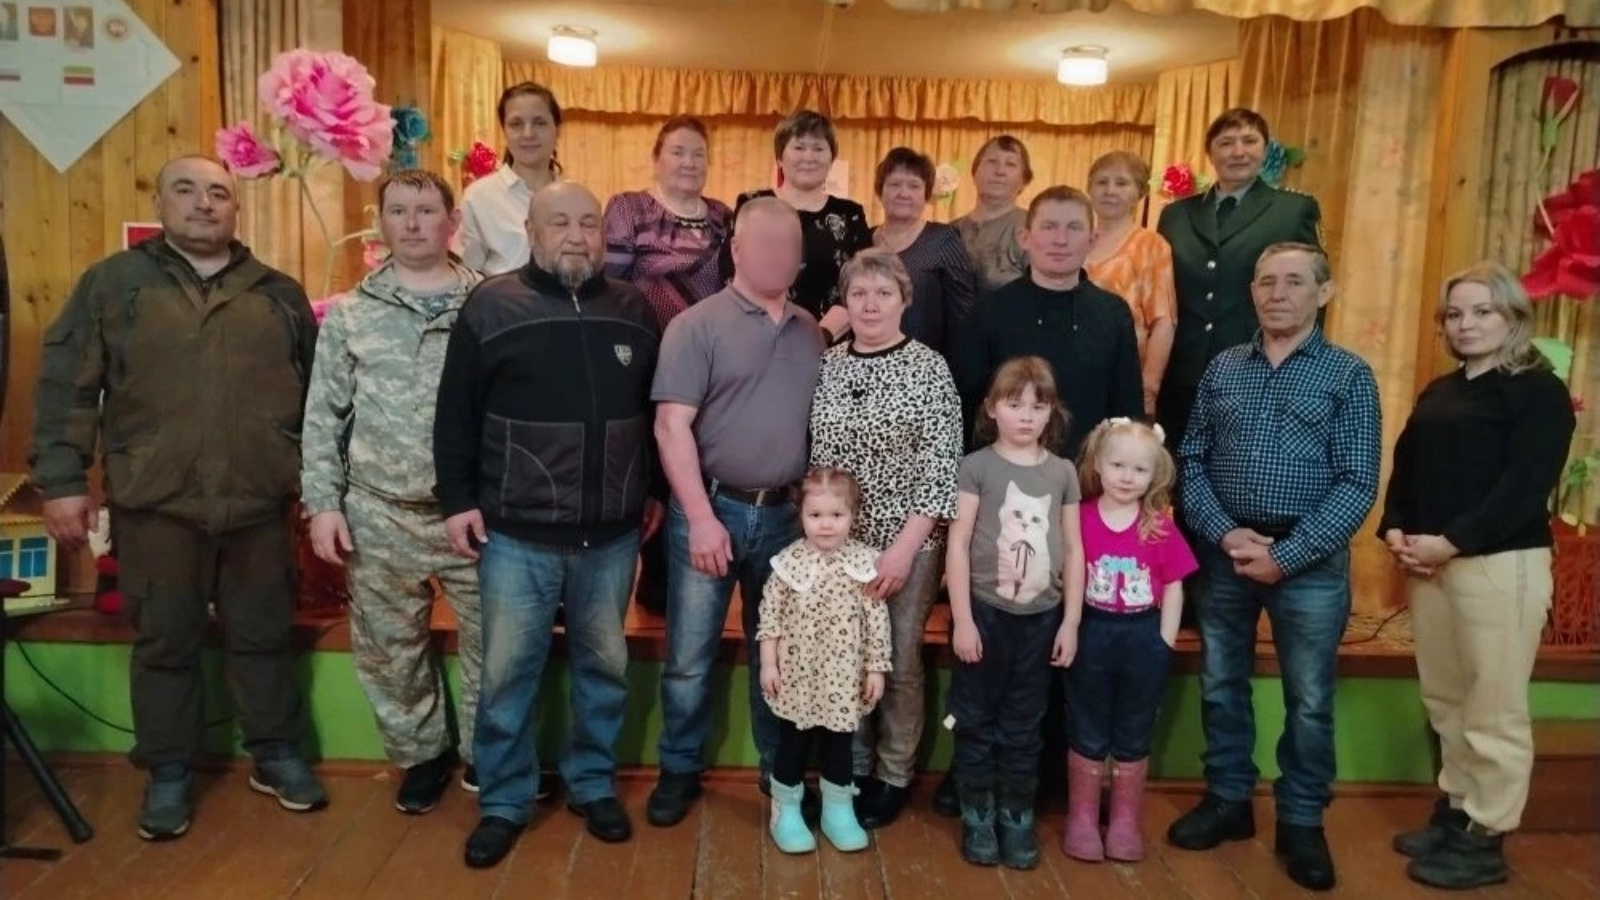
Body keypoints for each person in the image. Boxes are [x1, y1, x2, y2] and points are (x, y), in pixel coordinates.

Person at [29, 154, 325, 840]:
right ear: (159, 204)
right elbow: (68, 386)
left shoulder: (278, 294)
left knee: (264, 636)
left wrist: (319, 487)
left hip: (259, 503)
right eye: (185, 190)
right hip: (155, 503)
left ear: (236, 208)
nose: (203, 203)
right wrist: (63, 483)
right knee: (165, 643)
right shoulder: (114, 285)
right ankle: (167, 770)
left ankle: (276, 753)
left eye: (218, 192)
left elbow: (320, 398)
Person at [433, 181, 663, 868]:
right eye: (559, 222)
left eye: (588, 223)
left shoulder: (633, 309)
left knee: (605, 667)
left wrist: (650, 489)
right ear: (531, 232)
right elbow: (454, 413)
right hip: (516, 534)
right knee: (508, 674)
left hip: (611, 535)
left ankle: (593, 783)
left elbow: (655, 414)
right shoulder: (491, 305)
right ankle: (505, 800)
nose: (575, 235)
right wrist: (458, 499)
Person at [1167, 242, 1380, 892]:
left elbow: (1357, 483)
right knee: (1220, 683)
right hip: (1226, 553)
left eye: (1293, 281)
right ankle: (1228, 799)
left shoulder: (1348, 375)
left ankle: (1302, 821)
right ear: (1252, 291)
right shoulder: (1225, 367)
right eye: (1266, 282)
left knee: (1309, 700)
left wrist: (1283, 556)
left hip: (1308, 562)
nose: (1277, 293)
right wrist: (1225, 533)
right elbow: (1191, 459)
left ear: (1324, 292)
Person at [1380, 263, 1576, 890]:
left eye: (1483, 311)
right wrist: (1396, 527)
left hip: (1498, 564)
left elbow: (1525, 485)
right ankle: (1458, 808)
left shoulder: (1537, 391)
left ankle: (1488, 834)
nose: (1467, 324)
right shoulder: (1441, 390)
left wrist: (1453, 541)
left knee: (1493, 706)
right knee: (1446, 699)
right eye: (1455, 314)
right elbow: (1407, 465)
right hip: (1429, 564)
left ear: (1513, 317)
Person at [299, 169, 484, 815]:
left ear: (451, 222)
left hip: (473, 514)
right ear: (381, 223)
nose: (411, 222)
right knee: (390, 648)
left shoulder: (489, 304)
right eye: (398, 210)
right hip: (378, 511)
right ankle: (420, 757)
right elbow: (323, 416)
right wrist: (323, 505)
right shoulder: (351, 313)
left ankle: (486, 754)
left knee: (496, 643)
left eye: (426, 210)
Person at [648, 196, 826, 827]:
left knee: (776, 653)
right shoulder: (695, 325)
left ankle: (779, 774)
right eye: (766, 243)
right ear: (736, 250)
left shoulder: (811, 331)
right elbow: (671, 426)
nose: (779, 255)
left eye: (789, 246)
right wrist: (699, 517)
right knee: (689, 656)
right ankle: (678, 770)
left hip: (785, 518)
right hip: (711, 509)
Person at [806, 249, 963, 828]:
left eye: (883, 293)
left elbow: (941, 468)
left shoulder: (929, 368)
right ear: (844, 302)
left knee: (897, 660)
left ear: (904, 300)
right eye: (859, 293)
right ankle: (853, 767)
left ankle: (894, 774)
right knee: (846, 658)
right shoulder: (829, 364)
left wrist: (902, 551)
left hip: (908, 546)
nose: (870, 305)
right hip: (838, 544)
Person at [946, 356, 1084, 871]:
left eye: (1037, 406)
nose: (1026, 415)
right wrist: (963, 619)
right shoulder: (976, 467)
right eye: (1014, 404)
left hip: (1042, 620)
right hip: (985, 615)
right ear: (992, 409)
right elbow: (958, 544)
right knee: (974, 718)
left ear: (1052, 412)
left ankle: (1016, 814)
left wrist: (1071, 621)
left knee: (1025, 723)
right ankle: (977, 813)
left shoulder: (1063, 472)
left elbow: (1075, 549)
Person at [603, 115, 733, 615]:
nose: (689, 161)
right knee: (646, 466)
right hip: (640, 360)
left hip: (704, 365)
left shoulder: (723, 216)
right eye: (678, 151)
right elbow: (609, 288)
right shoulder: (629, 208)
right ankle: (649, 581)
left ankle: (694, 575)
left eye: (698, 153)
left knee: (694, 462)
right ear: (656, 157)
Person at [1061, 417, 1197, 863]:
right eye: (1118, 465)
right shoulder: (1079, 518)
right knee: (1086, 722)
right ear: (1098, 464)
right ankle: (1082, 817)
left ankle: (1123, 820)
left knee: (1135, 727)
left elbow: (1174, 584)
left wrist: (1164, 642)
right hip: (1092, 632)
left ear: (1154, 474)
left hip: (1143, 637)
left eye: (1140, 469)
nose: (1127, 477)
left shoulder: (1158, 525)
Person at [1155, 108, 1321, 451]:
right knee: (1174, 470)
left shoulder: (1292, 210)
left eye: (1249, 141)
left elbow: (1312, 292)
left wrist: (1301, 365)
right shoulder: (1175, 215)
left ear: (1265, 149)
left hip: (1259, 368)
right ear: (1210, 152)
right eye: (1226, 142)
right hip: (1181, 373)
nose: (1238, 151)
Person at [953, 185, 1143, 457]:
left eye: (1074, 228)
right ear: (1024, 237)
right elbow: (966, 405)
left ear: (1092, 240)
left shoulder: (1113, 313)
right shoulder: (989, 311)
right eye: (1049, 227)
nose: (1061, 240)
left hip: (1088, 473)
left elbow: (1127, 411)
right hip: (1005, 472)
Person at [758, 467, 891, 855]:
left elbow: (877, 622)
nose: (826, 524)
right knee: (793, 743)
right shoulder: (788, 564)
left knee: (839, 746)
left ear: (853, 515)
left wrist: (876, 668)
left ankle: (838, 811)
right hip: (797, 677)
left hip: (843, 680)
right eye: (815, 515)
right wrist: (769, 664)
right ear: (801, 515)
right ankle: (785, 811)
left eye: (837, 515)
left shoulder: (864, 565)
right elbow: (770, 620)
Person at [723, 109, 871, 339]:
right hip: (757, 335)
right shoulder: (752, 203)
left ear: (831, 158)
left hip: (831, 340)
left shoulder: (849, 214)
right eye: (799, 147)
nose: (808, 157)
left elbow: (865, 280)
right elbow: (731, 269)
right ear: (780, 157)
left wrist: (820, 336)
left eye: (819, 148)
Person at [1084, 151, 1177, 418]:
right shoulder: (1076, 239)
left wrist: (1149, 387)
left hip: (1125, 379)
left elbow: (1164, 322)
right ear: (1089, 189)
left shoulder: (1151, 245)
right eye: (1102, 182)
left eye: (1122, 183)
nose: (1110, 190)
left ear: (1140, 192)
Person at [870, 147, 978, 357]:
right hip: (865, 363)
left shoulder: (943, 240)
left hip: (924, 365)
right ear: (880, 191)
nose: (903, 193)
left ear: (926, 194)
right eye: (894, 184)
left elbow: (963, 315)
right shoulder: (863, 239)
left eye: (914, 186)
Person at [459, 82, 563, 275]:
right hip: (499, 295)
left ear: (557, 130)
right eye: (516, 124)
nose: (528, 134)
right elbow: (467, 276)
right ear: (504, 131)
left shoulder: (574, 197)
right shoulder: (478, 197)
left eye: (539, 123)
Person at [953, 135, 1032, 294]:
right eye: (992, 161)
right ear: (975, 173)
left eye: (1010, 164)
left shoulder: (1034, 229)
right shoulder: (950, 231)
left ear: (1024, 181)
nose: (999, 171)